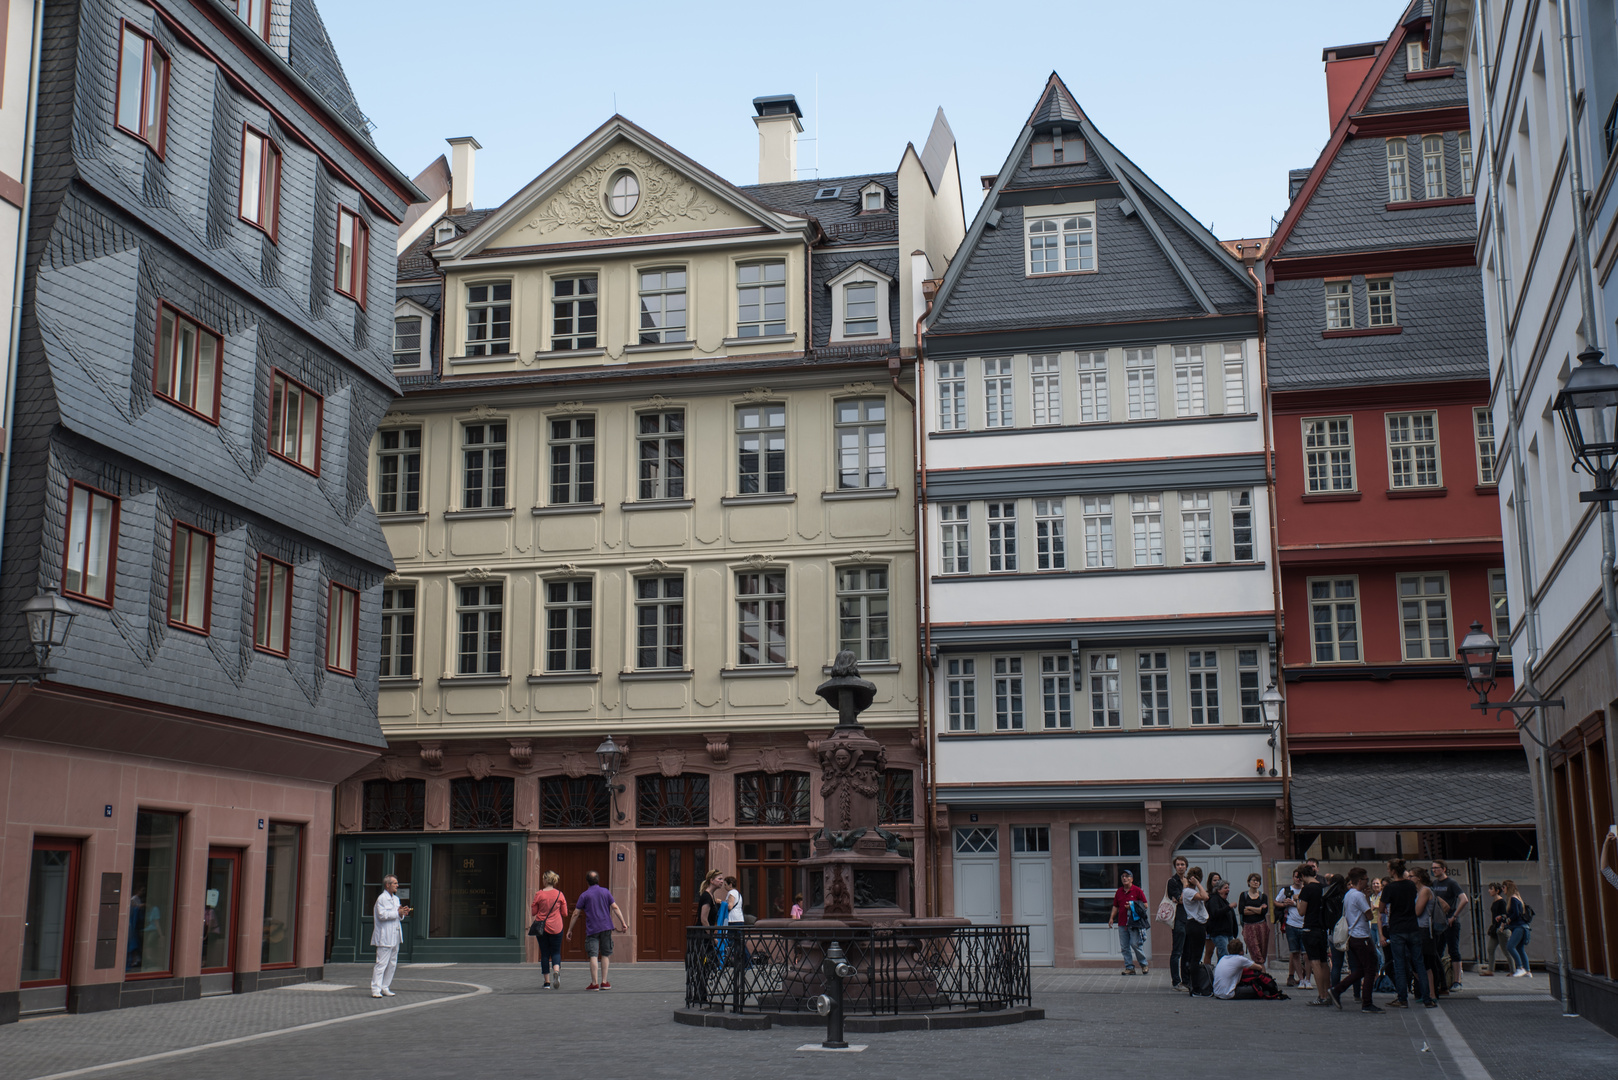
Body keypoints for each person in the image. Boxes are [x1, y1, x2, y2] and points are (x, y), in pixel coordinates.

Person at [1379, 859, 1434, 1009]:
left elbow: (1381, 908)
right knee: (1419, 963)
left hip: (1397, 928)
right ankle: (1427, 998)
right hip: (1413, 927)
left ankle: (1402, 998)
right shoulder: (1411, 885)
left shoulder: (1390, 888)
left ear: (1392, 871)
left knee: (1400, 964)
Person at [1327, 867, 1382, 1013]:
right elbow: (1369, 915)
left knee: (1359, 970)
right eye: (1366, 879)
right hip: (1361, 936)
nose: (1368, 882)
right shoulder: (1358, 895)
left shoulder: (1349, 894)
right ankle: (1367, 1003)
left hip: (1352, 936)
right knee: (1370, 969)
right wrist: (1367, 898)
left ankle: (1337, 990)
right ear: (1360, 880)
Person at [565, 870, 627, 990]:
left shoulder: (584, 895)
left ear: (587, 881)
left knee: (593, 955)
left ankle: (594, 983)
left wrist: (570, 929)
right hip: (606, 927)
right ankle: (604, 982)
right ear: (598, 880)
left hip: (592, 929)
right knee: (605, 954)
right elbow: (615, 907)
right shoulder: (605, 892)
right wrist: (623, 922)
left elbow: (576, 913)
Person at [1295, 864, 1333, 1005]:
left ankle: (1321, 996)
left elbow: (1301, 911)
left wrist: (1297, 900)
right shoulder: (1322, 887)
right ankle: (1328, 993)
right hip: (1322, 928)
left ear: (1303, 876)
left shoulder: (1307, 889)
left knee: (1315, 962)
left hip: (1310, 928)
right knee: (1324, 963)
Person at [1429, 860, 1469, 989]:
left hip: (1450, 922)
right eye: (1433, 868)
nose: (1434, 870)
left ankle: (1457, 981)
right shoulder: (1434, 884)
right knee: (1437, 951)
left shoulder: (1451, 883)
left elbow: (1464, 899)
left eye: (1436, 868)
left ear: (1444, 869)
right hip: (1438, 923)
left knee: (1453, 950)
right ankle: (1441, 980)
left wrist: (1454, 916)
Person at [1410, 868, 1448, 999]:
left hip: (1425, 930)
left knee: (1426, 962)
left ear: (1419, 878)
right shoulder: (1418, 891)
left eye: (1411, 876)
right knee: (1416, 962)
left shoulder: (1425, 890)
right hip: (1418, 929)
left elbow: (1417, 911)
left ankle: (1432, 993)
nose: (1409, 878)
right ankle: (1426, 990)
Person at [370, 875, 410, 998]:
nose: (397, 885)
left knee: (392, 963)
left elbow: (398, 916)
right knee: (381, 963)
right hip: (385, 935)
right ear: (387, 885)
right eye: (394, 883)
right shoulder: (381, 899)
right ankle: (375, 988)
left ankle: (385, 986)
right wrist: (397, 913)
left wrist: (403, 913)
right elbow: (382, 915)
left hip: (395, 934)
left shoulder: (396, 899)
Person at [1212, 939, 1287, 1000]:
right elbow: (1259, 968)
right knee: (1257, 988)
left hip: (1217, 992)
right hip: (1228, 993)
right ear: (1241, 951)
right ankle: (1268, 993)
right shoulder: (1240, 959)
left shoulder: (1223, 958)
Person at [1108, 869, 1150, 975]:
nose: (1124, 878)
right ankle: (1129, 967)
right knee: (1124, 947)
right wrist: (1111, 918)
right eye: (1122, 876)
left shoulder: (1137, 890)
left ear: (1132, 878)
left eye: (1127, 876)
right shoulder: (1119, 892)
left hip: (1134, 923)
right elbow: (1115, 906)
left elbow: (1145, 905)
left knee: (1135, 944)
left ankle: (1144, 964)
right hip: (1122, 923)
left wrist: (1131, 906)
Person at [531, 870, 568, 990]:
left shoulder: (539, 894)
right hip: (557, 926)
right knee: (556, 952)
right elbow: (565, 913)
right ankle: (556, 971)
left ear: (546, 880)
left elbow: (533, 912)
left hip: (542, 928)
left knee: (545, 953)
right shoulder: (559, 894)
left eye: (543, 879)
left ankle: (547, 982)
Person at [1179, 868, 1210, 992]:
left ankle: (1194, 984)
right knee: (1195, 957)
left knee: (1195, 955)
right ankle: (1196, 986)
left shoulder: (1187, 891)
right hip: (1195, 925)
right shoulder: (1189, 892)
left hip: (1197, 925)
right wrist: (1197, 884)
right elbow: (1205, 897)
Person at [1276, 868, 1307, 988]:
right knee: (1294, 952)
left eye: (1300, 877)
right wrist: (1285, 904)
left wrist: (1294, 902)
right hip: (1291, 923)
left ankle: (1306, 978)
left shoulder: (1306, 890)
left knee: (1306, 954)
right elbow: (1276, 902)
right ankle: (1300, 978)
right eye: (1296, 877)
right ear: (1293, 878)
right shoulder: (1287, 890)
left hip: (1304, 923)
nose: (1298, 879)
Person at [1167, 856, 1190, 989]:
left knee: (1187, 952)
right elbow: (1181, 899)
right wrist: (1186, 887)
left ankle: (1186, 980)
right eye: (1178, 864)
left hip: (1189, 919)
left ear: (1186, 866)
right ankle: (1176, 981)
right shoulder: (1173, 881)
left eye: (1182, 864)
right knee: (1177, 952)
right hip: (1178, 920)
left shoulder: (1190, 880)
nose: (1180, 867)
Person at [1502, 879, 1532, 977]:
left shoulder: (1513, 899)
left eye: (1503, 887)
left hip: (1519, 927)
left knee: (1510, 946)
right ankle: (1527, 971)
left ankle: (1520, 967)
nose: (1503, 890)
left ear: (1508, 888)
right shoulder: (1517, 898)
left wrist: (1508, 920)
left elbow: (1515, 914)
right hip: (1523, 927)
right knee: (1520, 948)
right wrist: (1505, 916)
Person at [1239, 873, 1270, 966]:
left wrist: (1249, 908)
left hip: (1261, 925)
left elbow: (1264, 911)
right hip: (1248, 926)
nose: (1256, 882)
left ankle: (1261, 973)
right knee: (1255, 953)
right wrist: (1258, 909)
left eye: (1258, 881)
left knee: (1262, 952)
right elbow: (1242, 911)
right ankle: (1261, 973)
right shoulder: (1243, 895)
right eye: (1253, 880)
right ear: (1249, 882)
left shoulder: (1263, 896)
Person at [1206, 879, 1238, 963]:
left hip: (1228, 934)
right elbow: (1215, 913)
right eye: (1225, 888)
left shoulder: (1224, 901)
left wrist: (1234, 932)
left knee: (1230, 955)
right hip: (1219, 933)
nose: (1228, 890)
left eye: (1228, 888)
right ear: (1219, 890)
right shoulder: (1214, 900)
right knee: (1224, 955)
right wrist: (1229, 907)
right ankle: (1221, 974)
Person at [1480, 882, 1506, 976]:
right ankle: (1490, 970)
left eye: (1491, 889)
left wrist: (1502, 927)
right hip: (1495, 929)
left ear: (1497, 891)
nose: (1489, 891)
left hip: (1500, 929)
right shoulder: (1495, 901)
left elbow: (1505, 915)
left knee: (1506, 950)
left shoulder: (1502, 902)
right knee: (1490, 948)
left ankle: (1514, 969)